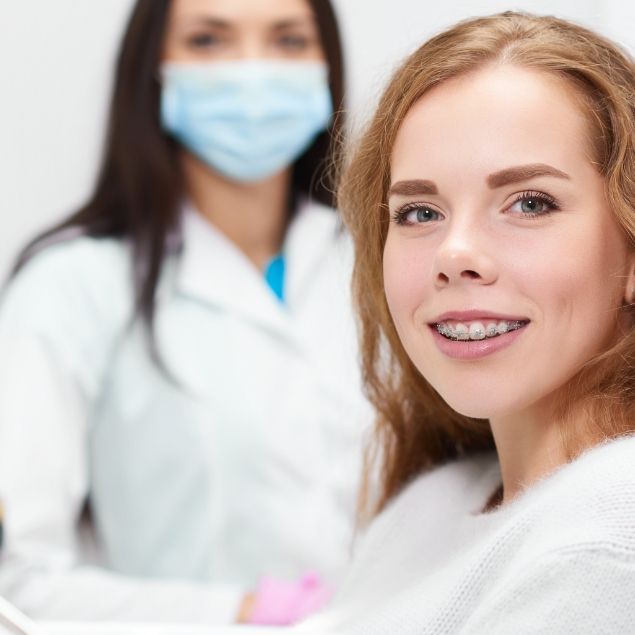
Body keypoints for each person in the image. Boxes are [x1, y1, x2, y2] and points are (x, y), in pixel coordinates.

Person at [0, 0, 370, 626]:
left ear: (326, 66)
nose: (252, 75)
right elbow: (19, 582)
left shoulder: (380, 260)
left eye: (287, 41)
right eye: (207, 41)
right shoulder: (75, 284)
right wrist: (241, 612)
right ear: (153, 70)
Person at [296, 11, 635, 633]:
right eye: (419, 212)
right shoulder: (433, 504)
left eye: (530, 203)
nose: (455, 256)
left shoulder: (606, 537)